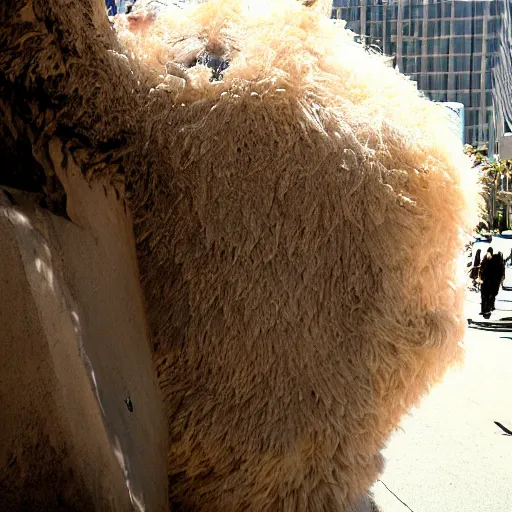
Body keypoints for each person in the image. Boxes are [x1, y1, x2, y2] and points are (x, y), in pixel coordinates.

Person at [479, 247, 494, 317]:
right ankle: (484, 309)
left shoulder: (491, 260)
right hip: (485, 281)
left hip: (488, 282)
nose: (488, 254)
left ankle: (486, 309)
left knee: (486, 296)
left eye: (489, 252)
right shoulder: (486, 260)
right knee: (484, 296)